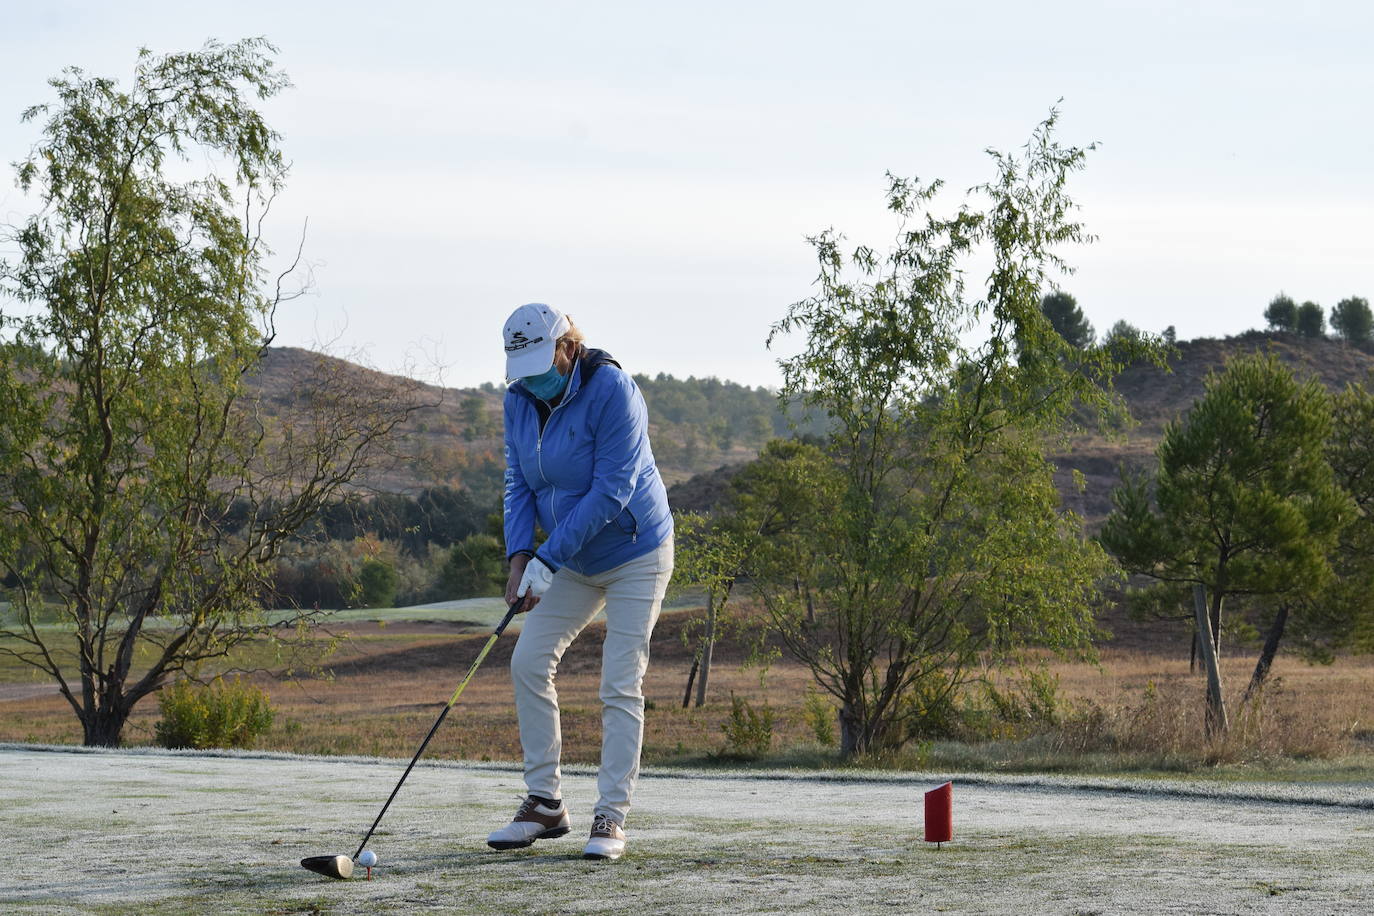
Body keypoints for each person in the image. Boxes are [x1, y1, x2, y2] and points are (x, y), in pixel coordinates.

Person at [486, 302, 674, 861]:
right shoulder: (518, 399)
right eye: (524, 370)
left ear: (568, 347)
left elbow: (612, 491)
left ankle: (611, 817)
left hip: (636, 550)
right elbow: (518, 483)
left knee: (619, 681)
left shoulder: (613, 390)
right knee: (528, 660)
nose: (535, 379)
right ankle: (545, 802)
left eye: (544, 363)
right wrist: (520, 556)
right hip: (573, 559)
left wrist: (548, 557)